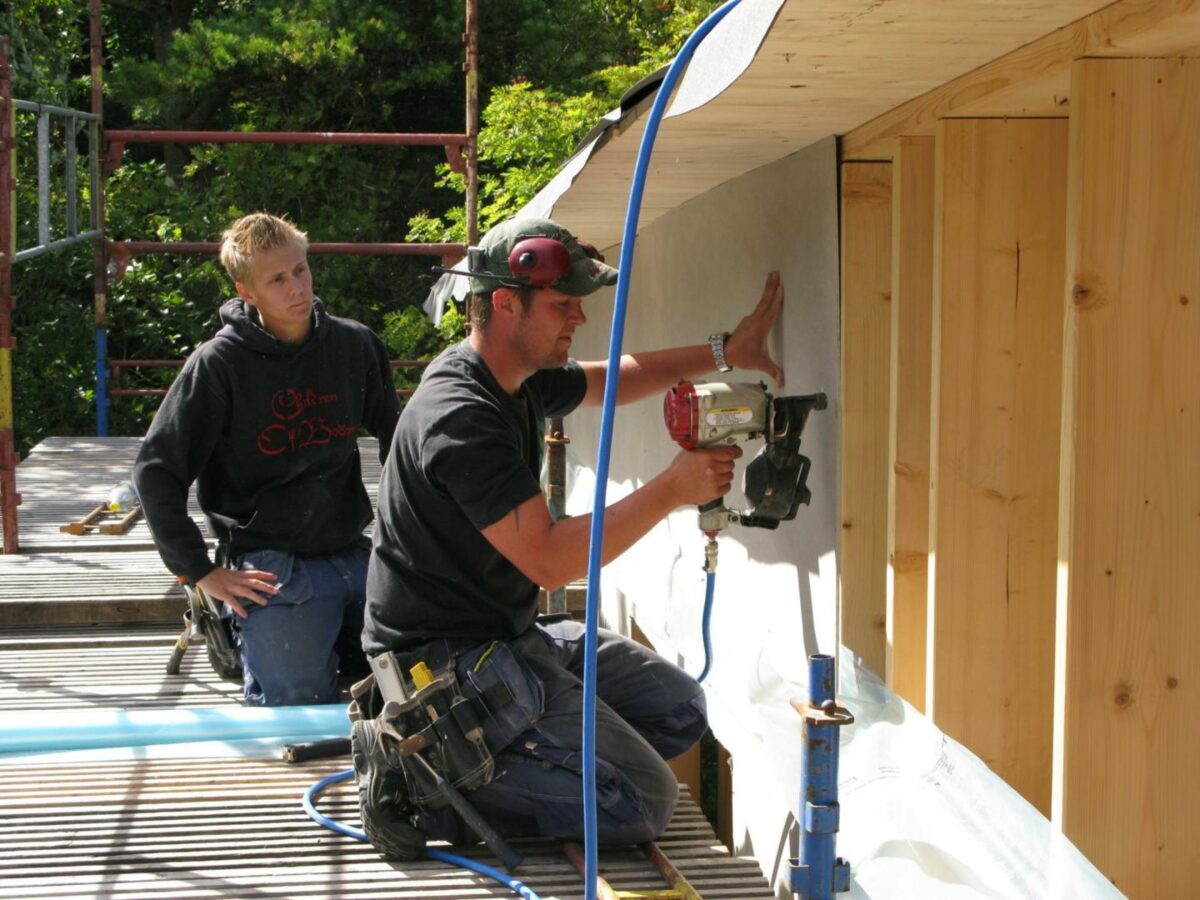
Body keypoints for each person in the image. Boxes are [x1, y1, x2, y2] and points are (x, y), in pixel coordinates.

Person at [353, 215, 784, 860]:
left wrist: (727, 353)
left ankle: (527, 747)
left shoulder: (512, 373)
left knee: (679, 712)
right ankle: (427, 782)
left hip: (506, 636)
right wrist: (672, 488)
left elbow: (610, 380)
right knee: (643, 801)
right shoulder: (460, 416)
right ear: (505, 303)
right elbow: (553, 562)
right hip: (441, 667)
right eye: (562, 306)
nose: (577, 320)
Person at [133, 212, 400, 706]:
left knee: (420, 669)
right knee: (296, 698)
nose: (296, 288)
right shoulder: (218, 365)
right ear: (247, 291)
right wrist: (199, 570)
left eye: (300, 270)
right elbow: (156, 470)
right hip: (268, 562)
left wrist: (409, 537)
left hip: (352, 546)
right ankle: (234, 627)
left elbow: (399, 443)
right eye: (277, 279)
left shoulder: (354, 345)